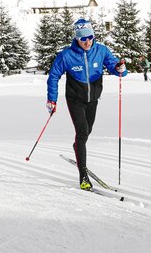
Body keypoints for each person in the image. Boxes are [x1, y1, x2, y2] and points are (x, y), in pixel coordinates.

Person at [45, 18, 128, 190]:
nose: (87, 42)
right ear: (77, 38)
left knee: (87, 132)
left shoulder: (101, 50)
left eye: (90, 37)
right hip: (75, 99)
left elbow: (114, 66)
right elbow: (53, 76)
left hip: (93, 99)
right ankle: (83, 176)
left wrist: (120, 69)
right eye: (83, 39)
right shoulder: (66, 56)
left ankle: (77, 147)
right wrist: (52, 99)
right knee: (82, 132)